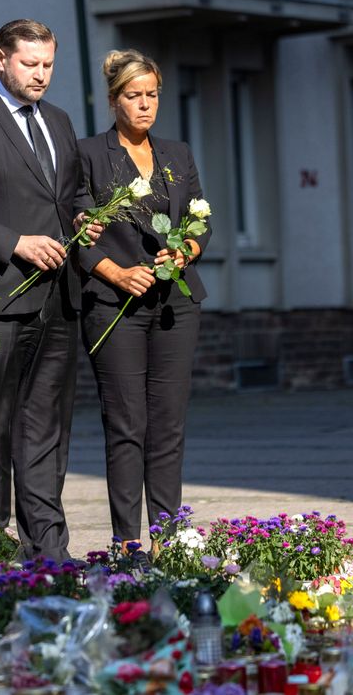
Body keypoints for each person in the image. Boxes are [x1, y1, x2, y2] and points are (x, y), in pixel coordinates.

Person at [0, 19, 98, 561]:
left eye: (48, 65)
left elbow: (73, 194)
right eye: (29, 64)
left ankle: (48, 550)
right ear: (0, 59)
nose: (41, 75)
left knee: (46, 430)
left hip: (60, 298)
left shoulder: (59, 122)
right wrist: (15, 242)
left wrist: (88, 219)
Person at [77, 49, 211, 552]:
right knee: (127, 423)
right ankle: (126, 541)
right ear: (114, 100)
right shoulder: (89, 154)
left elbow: (202, 221)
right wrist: (117, 273)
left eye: (151, 95)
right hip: (115, 307)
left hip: (176, 304)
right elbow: (79, 229)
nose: (145, 105)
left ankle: (168, 538)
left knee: (168, 424)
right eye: (134, 96)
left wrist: (185, 250)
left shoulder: (178, 154)